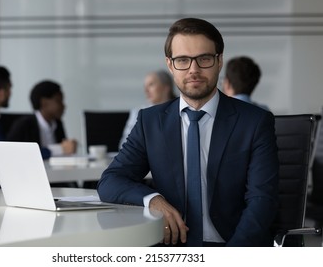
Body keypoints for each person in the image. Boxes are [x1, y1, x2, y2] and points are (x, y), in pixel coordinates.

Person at [97, 18, 279, 247]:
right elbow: (111, 181)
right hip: (172, 247)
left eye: (204, 59)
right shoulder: (150, 121)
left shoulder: (254, 122)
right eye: (182, 60)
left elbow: (262, 201)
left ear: (219, 61)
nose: (194, 70)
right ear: (170, 64)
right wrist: (154, 200)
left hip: (232, 244)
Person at [7, 80, 77, 159]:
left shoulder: (58, 124)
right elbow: (14, 153)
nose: (63, 106)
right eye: (58, 101)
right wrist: (60, 149)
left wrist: (69, 147)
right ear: (44, 103)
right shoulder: (24, 125)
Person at [119, 70, 176, 148]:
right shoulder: (138, 112)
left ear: (166, 87)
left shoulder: (181, 110)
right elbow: (124, 144)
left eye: (151, 85)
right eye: (145, 86)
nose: (146, 90)